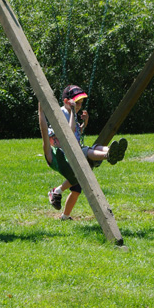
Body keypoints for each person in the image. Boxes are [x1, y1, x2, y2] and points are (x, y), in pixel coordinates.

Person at [40, 85, 128, 219]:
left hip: (73, 150)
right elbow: (67, 134)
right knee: (87, 152)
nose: (79, 106)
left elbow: (76, 133)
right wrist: (71, 114)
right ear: (66, 101)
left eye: (80, 103)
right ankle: (108, 154)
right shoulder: (62, 113)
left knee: (76, 189)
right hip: (68, 152)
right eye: (76, 103)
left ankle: (65, 216)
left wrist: (84, 123)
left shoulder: (71, 113)